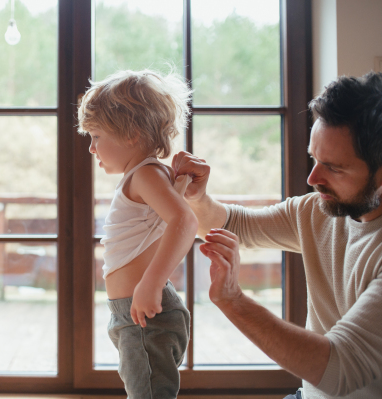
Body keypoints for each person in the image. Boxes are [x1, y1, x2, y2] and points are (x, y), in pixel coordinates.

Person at [172, 71, 382, 399]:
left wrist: (233, 301)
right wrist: (197, 199)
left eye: (334, 168)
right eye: (314, 159)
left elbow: (340, 370)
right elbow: (232, 225)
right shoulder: (317, 211)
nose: (313, 177)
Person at [77, 69, 198, 399]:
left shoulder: (145, 175)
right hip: (132, 311)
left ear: (130, 134)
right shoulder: (147, 176)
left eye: (97, 136)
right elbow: (162, 222)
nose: (91, 148)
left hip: (145, 312)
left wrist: (151, 283)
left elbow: (184, 222)